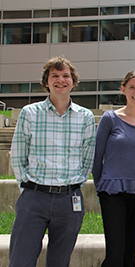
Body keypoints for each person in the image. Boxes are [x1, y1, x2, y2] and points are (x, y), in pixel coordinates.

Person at [9, 56, 96, 267]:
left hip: (69, 201)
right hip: (34, 198)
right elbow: (18, 155)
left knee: (59, 262)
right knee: (21, 261)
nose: (60, 80)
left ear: (73, 82)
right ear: (46, 82)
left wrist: (73, 186)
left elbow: (88, 158)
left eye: (66, 75)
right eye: (54, 76)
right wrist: (29, 189)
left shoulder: (85, 117)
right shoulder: (30, 113)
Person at [92, 70, 135, 267]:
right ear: (123, 90)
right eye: (132, 87)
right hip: (112, 193)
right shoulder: (110, 118)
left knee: (130, 256)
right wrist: (100, 188)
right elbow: (97, 158)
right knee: (114, 255)